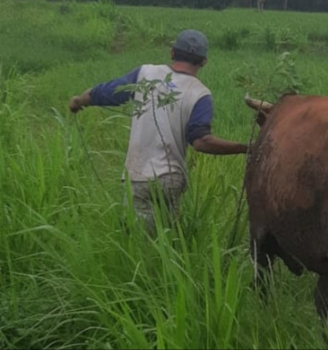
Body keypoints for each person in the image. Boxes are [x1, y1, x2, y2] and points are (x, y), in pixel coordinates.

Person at [69, 29, 249, 237]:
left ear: (172, 52)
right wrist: (244, 147)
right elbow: (201, 141)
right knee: (168, 237)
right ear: (204, 62)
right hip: (171, 179)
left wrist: (78, 101)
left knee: (139, 243)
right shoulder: (200, 93)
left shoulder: (145, 74)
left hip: (139, 175)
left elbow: (107, 92)